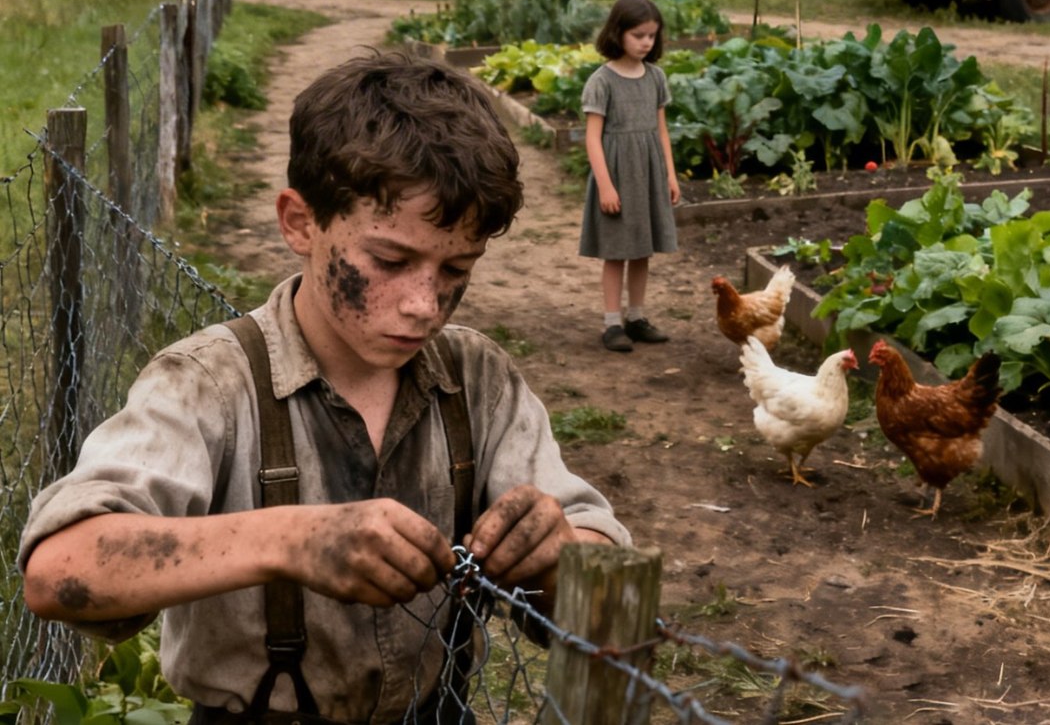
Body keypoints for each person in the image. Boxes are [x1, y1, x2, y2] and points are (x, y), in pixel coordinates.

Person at [21, 52, 628, 722]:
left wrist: (559, 556)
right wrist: (294, 540)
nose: (425, 303)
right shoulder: (210, 383)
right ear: (300, 223)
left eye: (457, 267)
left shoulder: (477, 381)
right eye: (390, 260)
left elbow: (610, 579)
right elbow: (61, 569)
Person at [579, 0, 680, 352]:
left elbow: (661, 130)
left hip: (649, 174)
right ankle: (612, 323)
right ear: (618, 33)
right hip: (618, 176)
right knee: (616, 251)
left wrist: (670, 174)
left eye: (651, 36)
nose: (646, 42)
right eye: (638, 35)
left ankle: (636, 317)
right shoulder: (602, 81)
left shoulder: (655, 77)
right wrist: (606, 186)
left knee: (642, 250)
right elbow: (593, 138)